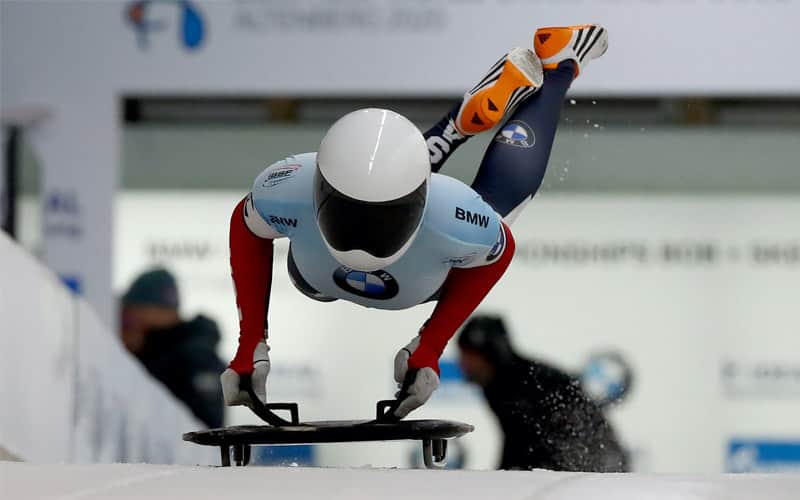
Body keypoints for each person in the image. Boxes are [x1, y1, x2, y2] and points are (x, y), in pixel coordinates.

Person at [222, 25, 609, 419]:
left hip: (318, 269)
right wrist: (428, 347)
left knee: (477, 217)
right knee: (487, 211)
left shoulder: (284, 186)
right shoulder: (448, 214)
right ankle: (555, 68)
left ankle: (473, 116)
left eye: (383, 219)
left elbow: (246, 224)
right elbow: (499, 249)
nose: (364, 239)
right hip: (413, 272)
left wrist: (251, 343)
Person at [458, 315, 629, 472]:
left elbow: (525, 444)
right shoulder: (500, 383)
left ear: (491, 354)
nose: (463, 363)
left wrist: (502, 479)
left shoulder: (522, 383)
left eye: (469, 355)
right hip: (580, 468)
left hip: (593, 468)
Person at [121, 268, 226, 428]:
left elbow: (204, 429)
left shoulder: (195, 358)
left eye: (133, 312)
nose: (129, 320)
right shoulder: (155, 349)